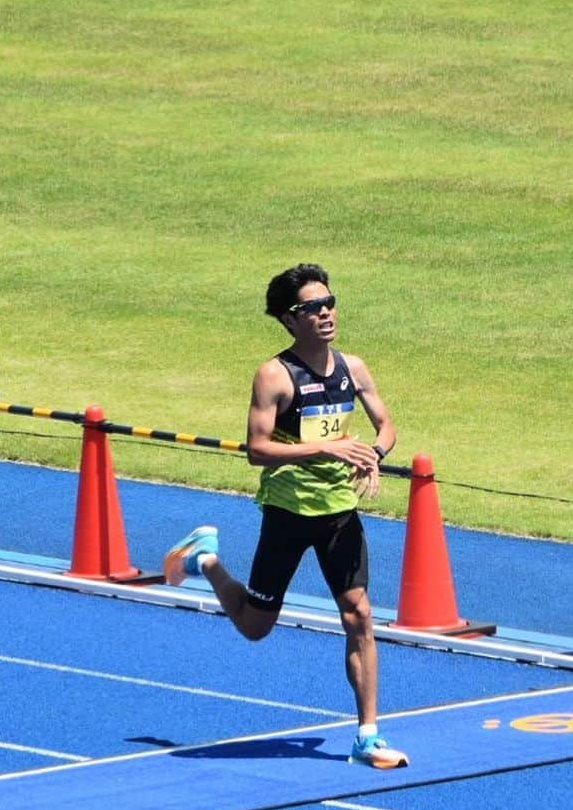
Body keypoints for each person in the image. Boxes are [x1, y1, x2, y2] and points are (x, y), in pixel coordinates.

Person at [164, 263, 408, 769]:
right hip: (288, 512)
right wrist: (331, 450)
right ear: (288, 320)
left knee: (359, 615)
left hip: (340, 514)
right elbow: (256, 449)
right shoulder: (274, 375)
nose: (325, 314)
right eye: (311, 308)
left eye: (329, 302)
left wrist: (372, 457)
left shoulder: (353, 368)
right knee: (256, 627)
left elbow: (386, 426)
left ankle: (368, 736)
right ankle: (205, 561)